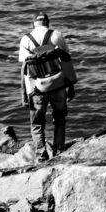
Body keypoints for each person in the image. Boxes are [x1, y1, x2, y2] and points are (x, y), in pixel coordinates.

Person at [18, 12, 76, 161]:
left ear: (32, 24)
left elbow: (24, 70)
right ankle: (58, 151)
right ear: (48, 23)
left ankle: (41, 156)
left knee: (37, 124)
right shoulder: (57, 35)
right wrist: (71, 86)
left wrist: (24, 94)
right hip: (58, 86)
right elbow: (66, 61)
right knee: (60, 119)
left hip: (37, 89)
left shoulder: (26, 39)